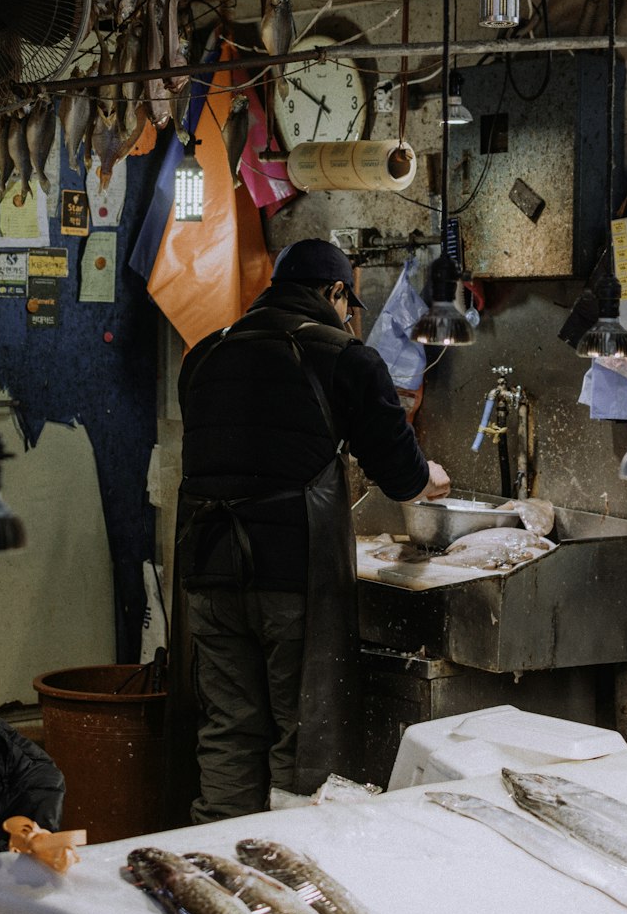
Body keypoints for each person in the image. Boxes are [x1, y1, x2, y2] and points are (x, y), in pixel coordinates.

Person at [173, 238, 450, 824]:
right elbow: (400, 476)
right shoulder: (345, 357)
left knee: (229, 728)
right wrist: (427, 477)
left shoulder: (204, 355)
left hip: (210, 572)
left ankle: (217, 865)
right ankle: (292, 877)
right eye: (350, 304)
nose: (350, 317)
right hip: (291, 578)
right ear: (334, 293)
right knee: (303, 738)